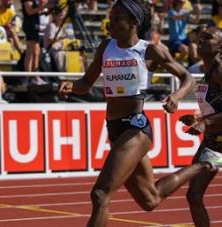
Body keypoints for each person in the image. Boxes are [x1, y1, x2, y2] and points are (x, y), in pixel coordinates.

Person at [58, 1, 222, 226]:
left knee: (100, 194)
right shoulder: (106, 47)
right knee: (150, 199)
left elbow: (188, 78)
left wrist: (176, 97)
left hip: (136, 129)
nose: (110, 23)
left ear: (133, 22)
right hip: (114, 129)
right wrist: (70, 85)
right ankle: (204, 164)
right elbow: (86, 84)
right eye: (110, 16)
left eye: (117, 18)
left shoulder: (150, 50)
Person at [179, 26, 222, 227]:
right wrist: (197, 117)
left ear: (220, 45)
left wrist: (205, 123)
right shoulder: (206, 71)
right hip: (213, 142)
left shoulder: (220, 70)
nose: (201, 40)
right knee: (194, 195)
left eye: (208, 37)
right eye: (200, 37)